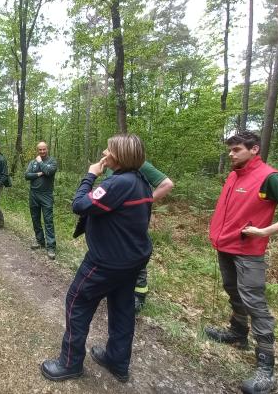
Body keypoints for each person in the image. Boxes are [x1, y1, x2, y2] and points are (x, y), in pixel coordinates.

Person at [41, 134, 153, 384]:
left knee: (77, 301)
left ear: (119, 155)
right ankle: (117, 360)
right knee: (122, 308)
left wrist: (90, 175)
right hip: (132, 261)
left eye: (109, 149)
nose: (104, 152)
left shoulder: (117, 183)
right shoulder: (141, 181)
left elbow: (80, 204)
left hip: (106, 263)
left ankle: (69, 362)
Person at [205, 131, 278, 394]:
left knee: (255, 302)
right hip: (226, 245)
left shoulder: (270, 178)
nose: (231, 154)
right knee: (233, 290)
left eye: (237, 149)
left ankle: (267, 369)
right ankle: (237, 333)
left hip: (248, 251)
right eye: (230, 149)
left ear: (254, 150)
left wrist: (265, 232)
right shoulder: (234, 174)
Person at [133, 162, 174, 311]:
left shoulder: (139, 164)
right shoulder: (111, 165)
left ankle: (139, 295)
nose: (105, 152)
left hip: (135, 220)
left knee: (136, 251)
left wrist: (144, 202)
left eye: (109, 149)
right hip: (115, 222)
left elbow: (167, 184)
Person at [25, 142, 58, 260]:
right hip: (33, 194)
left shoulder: (52, 161)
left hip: (46, 195)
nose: (42, 152)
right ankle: (40, 241)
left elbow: (49, 172)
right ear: (37, 150)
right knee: (35, 219)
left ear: (47, 149)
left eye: (44, 149)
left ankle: (51, 246)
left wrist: (40, 162)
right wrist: (39, 173)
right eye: (40, 150)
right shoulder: (32, 162)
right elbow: (27, 175)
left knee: (48, 220)